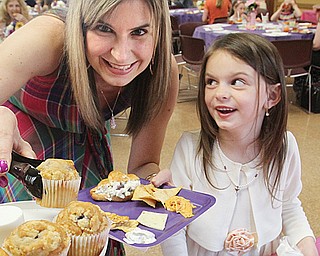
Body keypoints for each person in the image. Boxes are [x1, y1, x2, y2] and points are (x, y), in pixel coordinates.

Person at [0, 0, 179, 254]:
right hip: (19, 153)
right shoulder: (47, 37)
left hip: (89, 159)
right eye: (104, 29)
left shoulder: (161, 71)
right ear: (79, 24)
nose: (121, 55)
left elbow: (143, 165)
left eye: (139, 32)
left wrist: (152, 185)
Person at [160, 33, 318, 255]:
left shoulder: (285, 146)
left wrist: (307, 245)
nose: (220, 93)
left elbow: (289, 205)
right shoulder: (190, 148)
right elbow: (174, 222)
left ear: (272, 96)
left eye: (237, 82)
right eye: (211, 82)